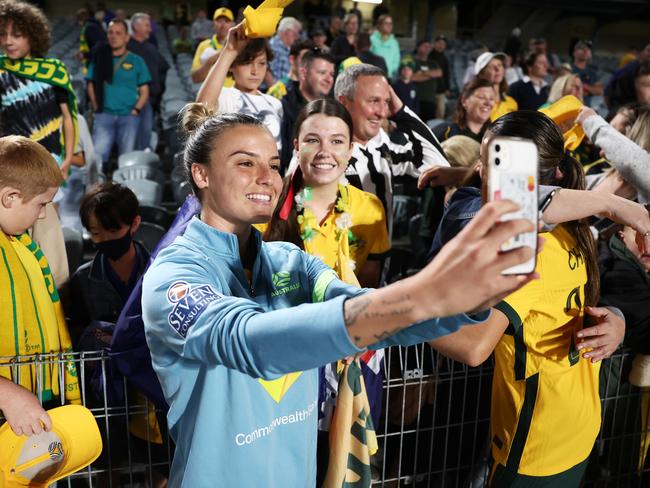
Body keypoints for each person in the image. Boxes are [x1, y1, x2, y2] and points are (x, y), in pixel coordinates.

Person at [141, 99, 540, 486]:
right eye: (245, 163)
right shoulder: (173, 275)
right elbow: (246, 340)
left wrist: (471, 300)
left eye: (275, 165)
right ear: (201, 174)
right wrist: (423, 292)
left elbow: (367, 315)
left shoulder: (291, 261)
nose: (267, 177)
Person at [427, 111, 628, 486]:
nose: (487, 173)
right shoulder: (575, 230)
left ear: (550, 181)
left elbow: (473, 348)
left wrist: (383, 313)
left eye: (500, 165)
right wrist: (617, 319)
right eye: (485, 162)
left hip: (534, 441)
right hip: (577, 424)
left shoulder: (527, 250)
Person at [0, 136, 81, 419]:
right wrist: (7, 393)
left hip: (33, 392)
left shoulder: (20, 244)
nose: (44, 215)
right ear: (9, 197)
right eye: (40, 204)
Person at [67, 182, 147, 343]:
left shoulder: (159, 272)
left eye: (113, 231)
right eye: (96, 233)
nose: (105, 240)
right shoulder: (81, 281)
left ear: (135, 224)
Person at [196, 23, 283, 151]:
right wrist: (229, 51)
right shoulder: (224, 96)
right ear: (232, 65)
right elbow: (201, 108)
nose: (255, 71)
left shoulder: (275, 104)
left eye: (262, 63)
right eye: (247, 63)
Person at [87, 19, 151, 173]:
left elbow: (144, 91)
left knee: (127, 160)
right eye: (110, 32)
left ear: (127, 37)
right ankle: (96, 190)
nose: (113, 36)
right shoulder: (99, 58)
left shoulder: (137, 61)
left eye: (118, 33)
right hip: (104, 115)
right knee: (98, 157)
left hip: (129, 116)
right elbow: (91, 84)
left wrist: (136, 110)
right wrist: (96, 107)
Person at [577, 105, 650, 204]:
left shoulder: (645, 193)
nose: (607, 132)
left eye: (612, 129)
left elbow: (635, 164)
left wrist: (592, 122)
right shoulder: (591, 179)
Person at [279, 49, 335, 169]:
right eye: (322, 72)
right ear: (303, 73)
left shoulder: (334, 110)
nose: (328, 79)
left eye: (331, 74)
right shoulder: (283, 107)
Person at [128, 12, 170, 151]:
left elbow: (164, 67)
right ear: (136, 26)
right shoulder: (125, 48)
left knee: (146, 141)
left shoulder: (151, 48)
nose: (150, 29)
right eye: (147, 25)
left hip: (151, 103)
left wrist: (158, 92)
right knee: (131, 141)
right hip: (132, 104)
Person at [433, 77, 496, 143]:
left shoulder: (496, 137)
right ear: (464, 101)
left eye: (491, 99)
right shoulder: (445, 132)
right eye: (481, 97)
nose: (488, 103)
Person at [190, 7, 234, 84]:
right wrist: (210, 60)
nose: (223, 25)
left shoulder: (239, 46)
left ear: (232, 24)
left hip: (235, 94)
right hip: (211, 94)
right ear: (213, 23)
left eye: (226, 21)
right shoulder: (203, 45)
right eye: (219, 21)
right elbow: (195, 79)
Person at [474, 51, 518, 121]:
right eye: (491, 66)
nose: (497, 69)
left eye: (500, 65)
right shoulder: (476, 103)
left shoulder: (511, 102)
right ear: (481, 74)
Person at [409, 40, 443, 122]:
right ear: (418, 48)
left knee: (428, 127)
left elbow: (439, 73)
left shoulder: (433, 63)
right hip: (416, 100)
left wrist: (422, 73)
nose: (427, 48)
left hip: (430, 100)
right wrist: (430, 75)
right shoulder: (413, 62)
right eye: (424, 46)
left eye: (429, 47)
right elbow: (412, 77)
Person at [268, 17, 302, 85]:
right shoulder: (273, 47)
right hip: (274, 92)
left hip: (284, 89)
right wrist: (275, 91)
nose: (297, 37)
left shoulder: (287, 48)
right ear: (287, 32)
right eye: (295, 34)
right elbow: (267, 71)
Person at [571, 40, 603, 106]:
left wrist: (585, 87)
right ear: (574, 52)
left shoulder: (592, 72)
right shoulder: (568, 69)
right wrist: (590, 89)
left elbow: (600, 91)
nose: (585, 51)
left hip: (586, 107)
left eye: (588, 49)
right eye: (581, 49)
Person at [370, 14, 400, 79]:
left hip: (388, 77)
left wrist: (389, 72)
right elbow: (368, 57)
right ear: (379, 25)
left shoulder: (394, 42)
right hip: (373, 76)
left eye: (390, 23)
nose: (389, 26)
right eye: (386, 23)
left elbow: (396, 60)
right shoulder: (371, 39)